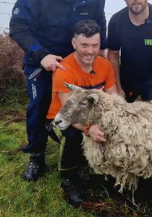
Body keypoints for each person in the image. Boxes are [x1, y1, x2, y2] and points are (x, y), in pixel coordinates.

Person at [9, 0, 107, 182]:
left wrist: (100, 56)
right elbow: (17, 27)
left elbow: (100, 25)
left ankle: (80, 150)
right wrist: (41, 55)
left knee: (85, 105)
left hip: (77, 61)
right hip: (41, 58)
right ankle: (36, 156)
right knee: (39, 105)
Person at [46, 20, 117, 207]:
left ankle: (104, 169)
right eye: (84, 45)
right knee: (72, 135)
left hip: (91, 113)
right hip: (62, 117)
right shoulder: (64, 71)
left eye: (95, 45)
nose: (90, 51)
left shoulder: (105, 65)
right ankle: (68, 176)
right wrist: (88, 129)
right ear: (74, 43)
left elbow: (113, 96)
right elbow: (69, 113)